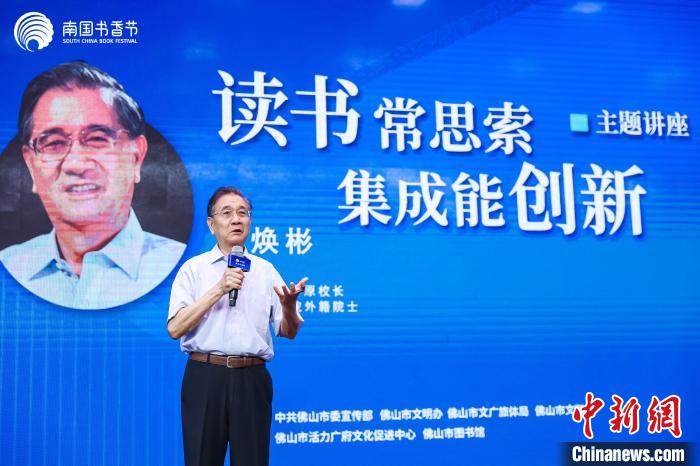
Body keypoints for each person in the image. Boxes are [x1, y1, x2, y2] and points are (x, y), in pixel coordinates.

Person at [0, 61, 186, 309]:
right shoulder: (10, 267)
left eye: (97, 139)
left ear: (136, 156)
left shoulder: (183, 269)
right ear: (31, 164)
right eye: (54, 143)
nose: (76, 164)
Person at [167, 186, 306, 466]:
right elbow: (175, 328)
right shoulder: (193, 269)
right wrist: (219, 288)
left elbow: (288, 331)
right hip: (205, 377)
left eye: (243, 213)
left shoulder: (266, 270)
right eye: (227, 213)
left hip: (251, 379)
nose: (236, 219)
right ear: (211, 224)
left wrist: (290, 307)